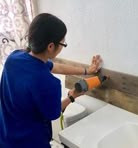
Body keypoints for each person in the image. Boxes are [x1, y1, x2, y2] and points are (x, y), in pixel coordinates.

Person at [0, 13, 102, 147]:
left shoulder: (14, 58)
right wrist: (72, 97)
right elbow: (53, 113)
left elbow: (54, 66)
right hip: (31, 142)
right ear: (50, 46)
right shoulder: (49, 83)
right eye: (63, 43)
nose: (63, 46)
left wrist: (87, 71)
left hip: (5, 137)